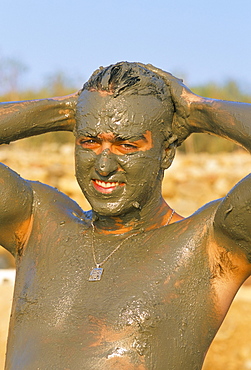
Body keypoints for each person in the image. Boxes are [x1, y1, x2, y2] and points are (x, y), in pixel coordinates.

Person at [0, 61, 250, 370]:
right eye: (89, 141)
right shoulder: (39, 223)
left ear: (166, 152)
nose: (104, 166)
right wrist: (65, 110)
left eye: (126, 145)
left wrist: (198, 110)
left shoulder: (208, 245)